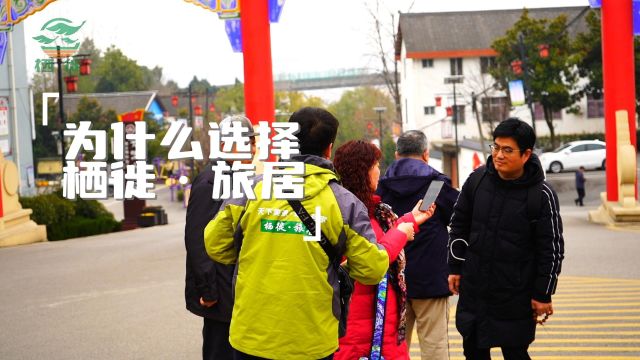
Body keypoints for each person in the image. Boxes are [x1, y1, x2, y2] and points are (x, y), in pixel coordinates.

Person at [204, 107, 393, 359]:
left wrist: (253, 255)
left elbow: (215, 243)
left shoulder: (251, 189)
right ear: (329, 148)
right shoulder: (344, 203)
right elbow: (371, 269)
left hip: (252, 335)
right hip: (312, 338)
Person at [448, 118, 564, 360]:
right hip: (475, 289)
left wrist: (543, 293)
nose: (499, 155)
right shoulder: (477, 180)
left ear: (526, 154)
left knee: (515, 353)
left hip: (515, 294)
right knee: (473, 351)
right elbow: (459, 225)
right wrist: (455, 267)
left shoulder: (541, 195)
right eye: (496, 147)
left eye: (507, 150)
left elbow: (551, 249)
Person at [333, 140, 436, 360]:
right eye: (375, 165)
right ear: (362, 171)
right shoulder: (347, 212)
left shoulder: (374, 210)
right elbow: (374, 257)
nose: (379, 171)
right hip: (359, 334)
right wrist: (402, 233)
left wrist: (411, 219)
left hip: (382, 327)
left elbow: (381, 238)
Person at [377, 130, 459, 360]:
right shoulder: (434, 186)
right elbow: (457, 218)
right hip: (431, 277)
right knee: (434, 345)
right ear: (425, 154)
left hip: (391, 277)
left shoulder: (381, 186)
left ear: (396, 154)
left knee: (394, 346)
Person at [184, 115, 256, 360]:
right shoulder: (209, 181)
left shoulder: (240, 177)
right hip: (218, 290)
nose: (252, 148)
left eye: (253, 142)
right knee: (219, 350)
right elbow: (197, 240)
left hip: (235, 287)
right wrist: (208, 289)